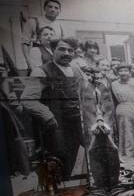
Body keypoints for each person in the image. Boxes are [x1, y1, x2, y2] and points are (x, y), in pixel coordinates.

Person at [21, 38, 88, 173]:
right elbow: (28, 99)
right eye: (62, 49)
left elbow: (85, 96)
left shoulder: (77, 71)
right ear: (52, 50)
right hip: (57, 125)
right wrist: (48, 116)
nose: (67, 53)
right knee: (60, 162)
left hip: (78, 125)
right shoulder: (42, 71)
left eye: (70, 50)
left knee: (82, 163)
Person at [24, 0, 66, 75]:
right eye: (50, 7)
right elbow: (25, 43)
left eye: (56, 8)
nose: (53, 10)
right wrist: (28, 62)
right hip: (38, 59)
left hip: (54, 60)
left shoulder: (60, 25)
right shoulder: (33, 21)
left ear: (59, 10)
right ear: (44, 8)